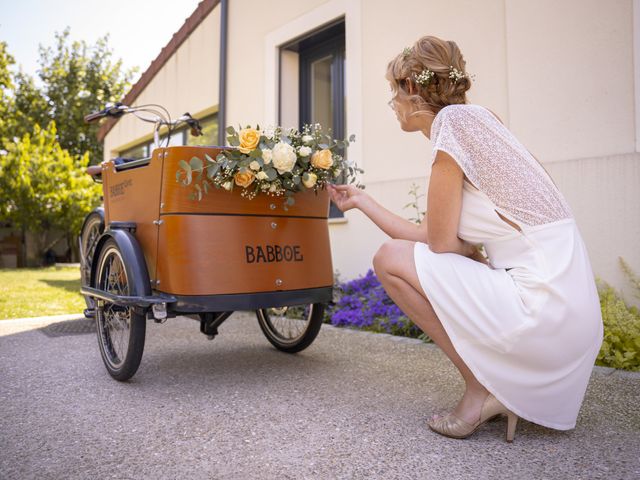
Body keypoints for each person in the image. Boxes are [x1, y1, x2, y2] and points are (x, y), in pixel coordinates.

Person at [326, 35, 603, 443]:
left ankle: (481, 390)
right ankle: (498, 386)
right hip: (571, 312)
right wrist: (365, 202)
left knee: (388, 259)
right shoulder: (481, 121)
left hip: (543, 309)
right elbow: (449, 242)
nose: (392, 104)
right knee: (443, 258)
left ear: (412, 89)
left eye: (392, 91)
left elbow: (436, 244)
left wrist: (468, 253)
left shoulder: (451, 129)